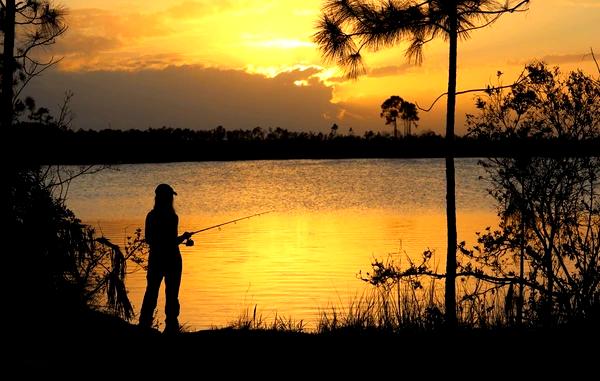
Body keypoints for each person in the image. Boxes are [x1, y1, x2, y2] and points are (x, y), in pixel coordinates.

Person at [139, 183, 191, 334]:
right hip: (172, 259)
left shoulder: (151, 216)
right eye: (170, 197)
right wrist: (183, 237)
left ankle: (144, 324)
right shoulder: (173, 217)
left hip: (156, 258)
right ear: (167, 198)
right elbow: (171, 242)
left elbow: (149, 239)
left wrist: (177, 239)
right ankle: (171, 327)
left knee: (152, 291)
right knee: (172, 294)